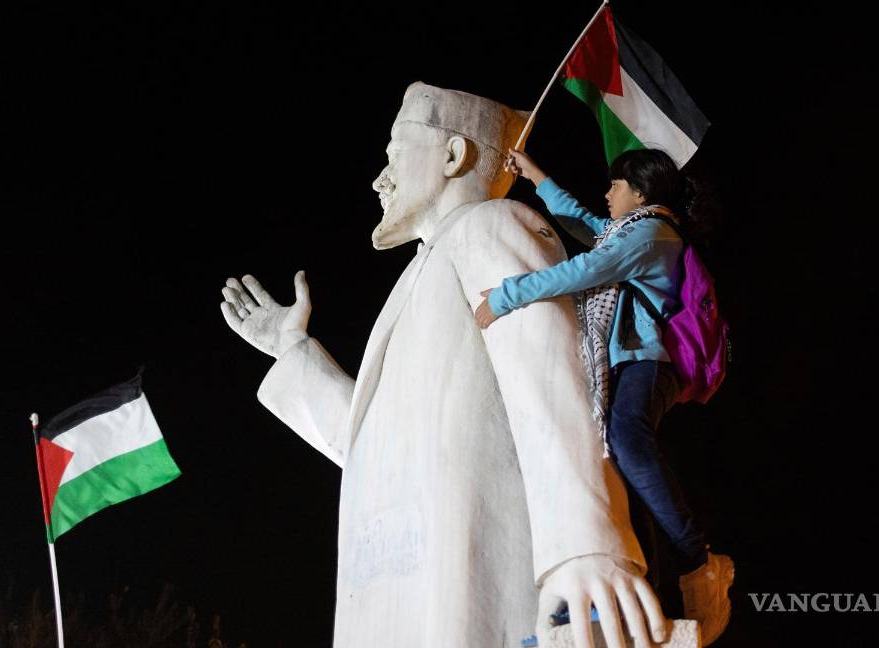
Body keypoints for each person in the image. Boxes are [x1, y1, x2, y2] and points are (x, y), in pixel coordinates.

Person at [219, 83, 673, 648]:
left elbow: (552, 382)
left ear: (454, 155)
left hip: (470, 588)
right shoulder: (415, 277)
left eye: (394, 155)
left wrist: (581, 543)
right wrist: (294, 351)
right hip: (389, 600)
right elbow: (374, 448)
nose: (379, 179)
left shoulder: (494, 225)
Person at [475, 147, 734, 645]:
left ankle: (697, 559)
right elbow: (586, 223)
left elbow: (585, 270)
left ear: (640, 193)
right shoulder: (633, 233)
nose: (607, 193)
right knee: (619, 464)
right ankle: (651, 585)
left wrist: (506, 296)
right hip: (629, 363)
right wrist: (537, 175)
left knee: (627, 440)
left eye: (616, 185)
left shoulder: (652, 235)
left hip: (647, 362)